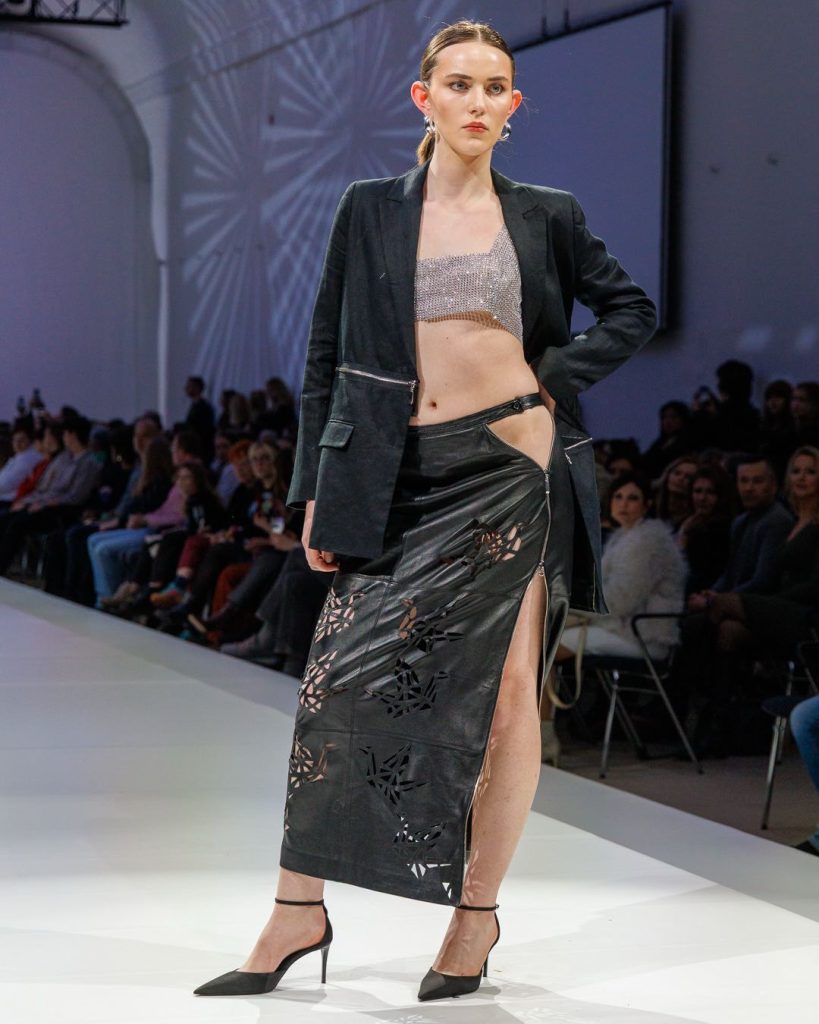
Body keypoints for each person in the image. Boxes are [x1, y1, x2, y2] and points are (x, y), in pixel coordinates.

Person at [193, 19, 656, 1002]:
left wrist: (551, 377)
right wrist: (313, 489)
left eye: (495, 88)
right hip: (395, 475)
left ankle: (474, 918)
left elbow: (631, 309)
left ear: (512, 106)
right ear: (424, 97)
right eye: (459, 84)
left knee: (508, 697)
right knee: (335, 687)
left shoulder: (546, 215)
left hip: (510, 469)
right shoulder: (368, 209)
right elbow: (326, 353)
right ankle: (298, 906)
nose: (477, 101)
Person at [184, 375, 215, 459]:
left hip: (201, 447)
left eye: (189, 386)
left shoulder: (203, 407)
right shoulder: (195, 405)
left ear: (197, 388)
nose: (186, 388)